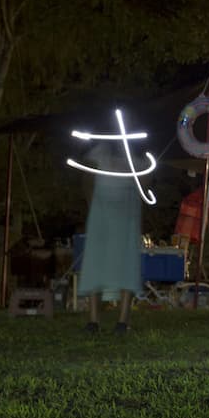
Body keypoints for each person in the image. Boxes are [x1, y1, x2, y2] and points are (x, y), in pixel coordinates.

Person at [77, 141, 143, 335]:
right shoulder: (101, 151)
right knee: (95, 264)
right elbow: (87, 176)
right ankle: (93, 322)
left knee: (126, 266)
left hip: (126, 211)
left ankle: (122, 323)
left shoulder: (134, 156)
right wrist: (93, 205)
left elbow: (145, 181)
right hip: (102, 211)